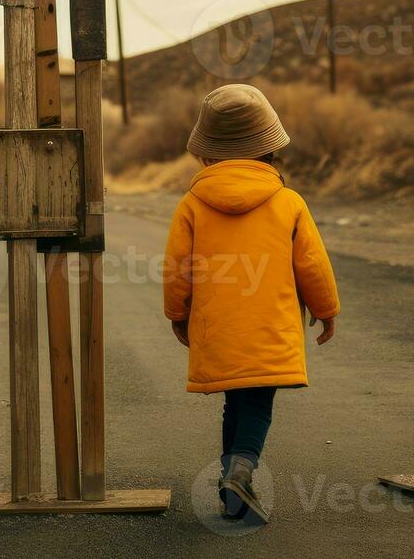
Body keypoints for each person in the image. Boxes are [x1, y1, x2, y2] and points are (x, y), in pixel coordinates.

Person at [163, 84, 340, 524]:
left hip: (217, 328)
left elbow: (177, 269)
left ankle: (232, 490)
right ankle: (240, 471)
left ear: (206, 154)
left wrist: (177, 314)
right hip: (270, 328)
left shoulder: (192, 205)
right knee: (257, 403)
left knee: (234, 404)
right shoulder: (288, 202)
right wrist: (327, 309)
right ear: (269, 149)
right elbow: (312, 265)